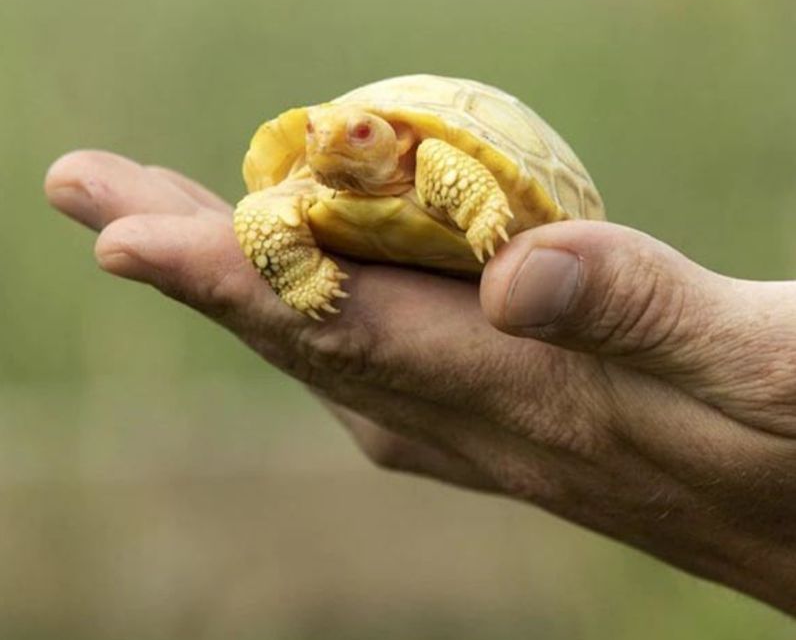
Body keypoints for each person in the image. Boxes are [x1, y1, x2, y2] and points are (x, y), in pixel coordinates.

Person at [45, 150, 796, 615]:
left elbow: (457, 172)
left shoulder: (434, 163)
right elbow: (264, 217)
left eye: (363, 134)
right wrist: (299, 270)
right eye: (325, 137)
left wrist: (471, 201)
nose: (337, 145)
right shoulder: (310, 187)